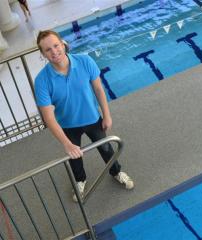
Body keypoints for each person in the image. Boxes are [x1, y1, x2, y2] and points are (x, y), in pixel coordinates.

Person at [34, 30, 134, 202]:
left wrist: (106, 115)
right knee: (74, 156)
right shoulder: (42, 80)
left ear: (62, 44)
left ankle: (116, 171)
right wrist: (66, 144)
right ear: (43, 54)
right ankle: (80, 180)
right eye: (48, 49)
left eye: (56, 46)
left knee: (106, 149)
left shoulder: (85, 61)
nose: (54, 52)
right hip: (67, 124)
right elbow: (48, 117)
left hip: (92, 118)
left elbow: (98, 89)